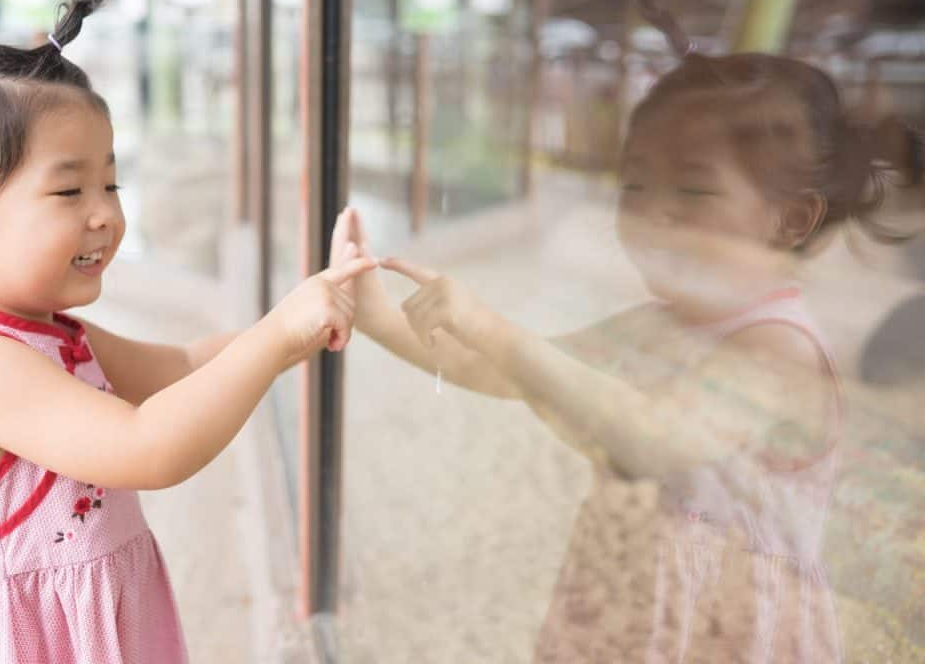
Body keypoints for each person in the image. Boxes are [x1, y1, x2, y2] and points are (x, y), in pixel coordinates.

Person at [0, 0, 373, 663]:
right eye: (69, 189)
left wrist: (308, 308)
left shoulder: (43, 333)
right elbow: (147, 447)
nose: (105, 213)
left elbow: (182, 369)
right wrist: (281, 337)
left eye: (110, 182)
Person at [332, 47, 905, 661]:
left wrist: (493, 327)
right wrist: (377, 318)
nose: (652, 211)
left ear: (790, 219)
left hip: (729, 627)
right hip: (643, 605)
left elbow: (654, 438)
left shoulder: (780, 344)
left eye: (691, 188)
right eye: (633, 185)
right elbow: (507, 372)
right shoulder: (657, 325)